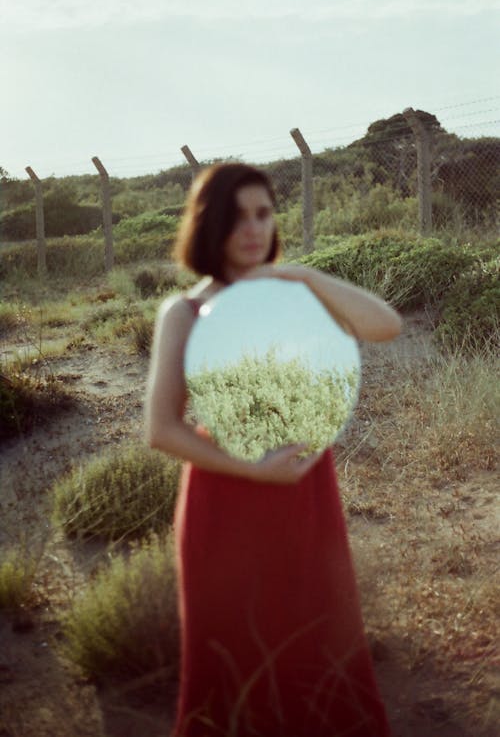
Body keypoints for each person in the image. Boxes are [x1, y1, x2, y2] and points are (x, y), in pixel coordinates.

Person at [145, 162, 401, 737]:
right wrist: (253, 472)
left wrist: (303, 276)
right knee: (231, 656)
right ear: (209, 226)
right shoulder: (183, 313)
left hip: (305, 488)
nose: (253, 229)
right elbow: (161, 428)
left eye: (263, 214)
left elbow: (385, 324)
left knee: (320, 637)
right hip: (226, 494)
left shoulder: (296, 298)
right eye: (237, 217)